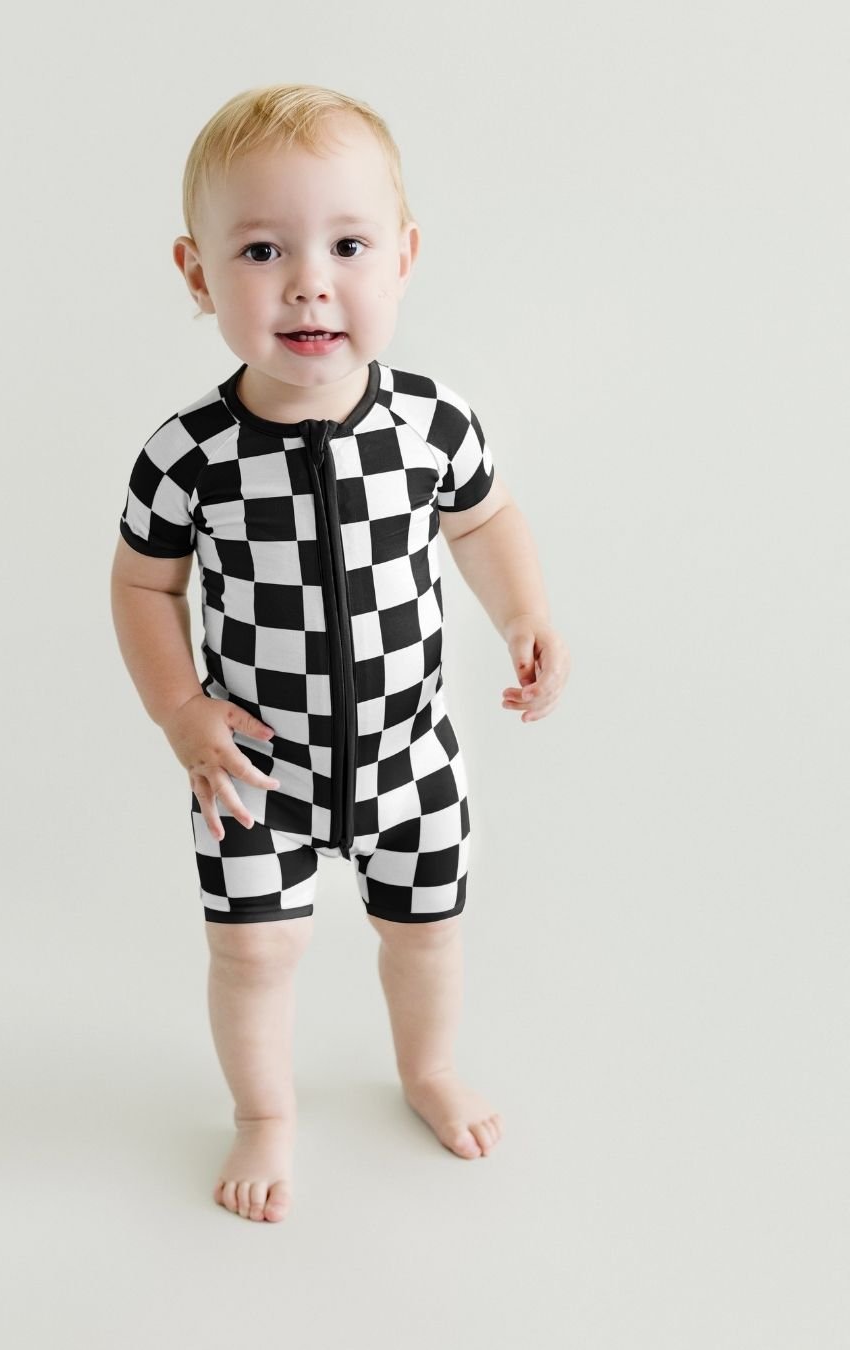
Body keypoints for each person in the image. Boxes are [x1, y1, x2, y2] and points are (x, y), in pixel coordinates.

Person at [109, 83, 571, 1224]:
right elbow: (141, 585)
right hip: (256, 773)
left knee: (426, 936)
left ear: (404, 258)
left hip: (412, 762)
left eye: (349, 244)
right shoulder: (190, 453)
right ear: (197, 273)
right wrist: (180, 710)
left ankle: (426, 1070)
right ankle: (264, 1112)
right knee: (254, 958)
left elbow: (486, 522)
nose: (310, 279)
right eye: (262, 249)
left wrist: (524, 613)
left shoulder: (430, 423)